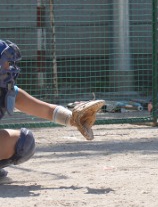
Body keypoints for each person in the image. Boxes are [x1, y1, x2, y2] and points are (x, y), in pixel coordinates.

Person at [0, 39, 105, 180]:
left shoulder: (7, 91)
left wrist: (73, 119)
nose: (10, 68)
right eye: (5, 64)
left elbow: (47, 110)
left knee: (24, 142)